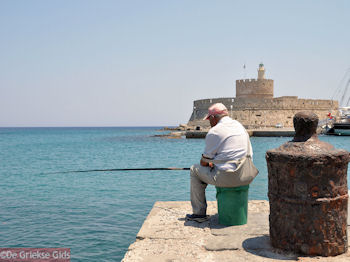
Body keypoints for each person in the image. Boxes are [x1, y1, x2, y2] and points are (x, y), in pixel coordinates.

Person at [185, 103, 252, 222]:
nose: (209, 123)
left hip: (228, 177)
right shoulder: (239, 126)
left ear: (213, 117)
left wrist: (211, 164)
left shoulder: (215, 131)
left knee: (194, 170)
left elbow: (204, 162)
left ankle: (199, 214)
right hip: (246, 175)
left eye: (209, 119)